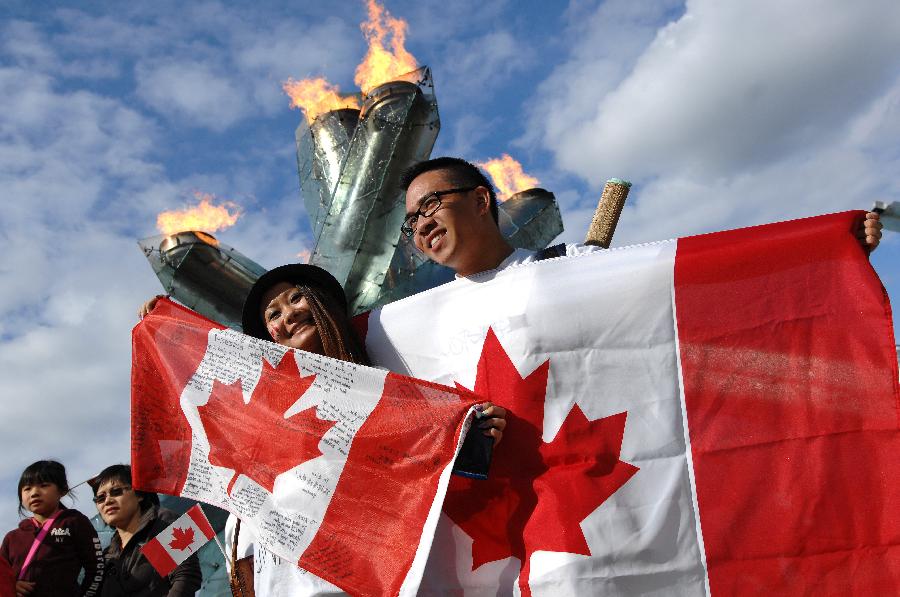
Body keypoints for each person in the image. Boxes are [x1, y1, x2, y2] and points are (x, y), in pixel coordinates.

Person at [140, 263, 507, 594]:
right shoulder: (255, 422)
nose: (288, 315)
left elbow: (437, 467)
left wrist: (475, 432)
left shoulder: (389, 396)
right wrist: (167, 329)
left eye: (296, 298)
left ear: (322, 304)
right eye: (274, 314)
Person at [399, 156, 884, 277]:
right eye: (411, 220)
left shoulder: (571, 269)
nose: (421, 224)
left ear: (482, 202)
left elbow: (704, 276)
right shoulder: (405, 322)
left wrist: (827, 248)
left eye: (430, 206)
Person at [90, 465, 201, 597]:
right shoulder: (107, 556)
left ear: (139, 495)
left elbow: (186, 576)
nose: (107, 500)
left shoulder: (164, 520)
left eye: (116, 492)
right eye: (100, 498)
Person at [1, 460, 104, 597]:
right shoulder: (12, 537)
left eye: (43, 485)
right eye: (27, 488)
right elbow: (2, 575)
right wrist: (12, 585)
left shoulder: (75, 522)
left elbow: (96, 569)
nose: (34, 493)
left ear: (63, 490)